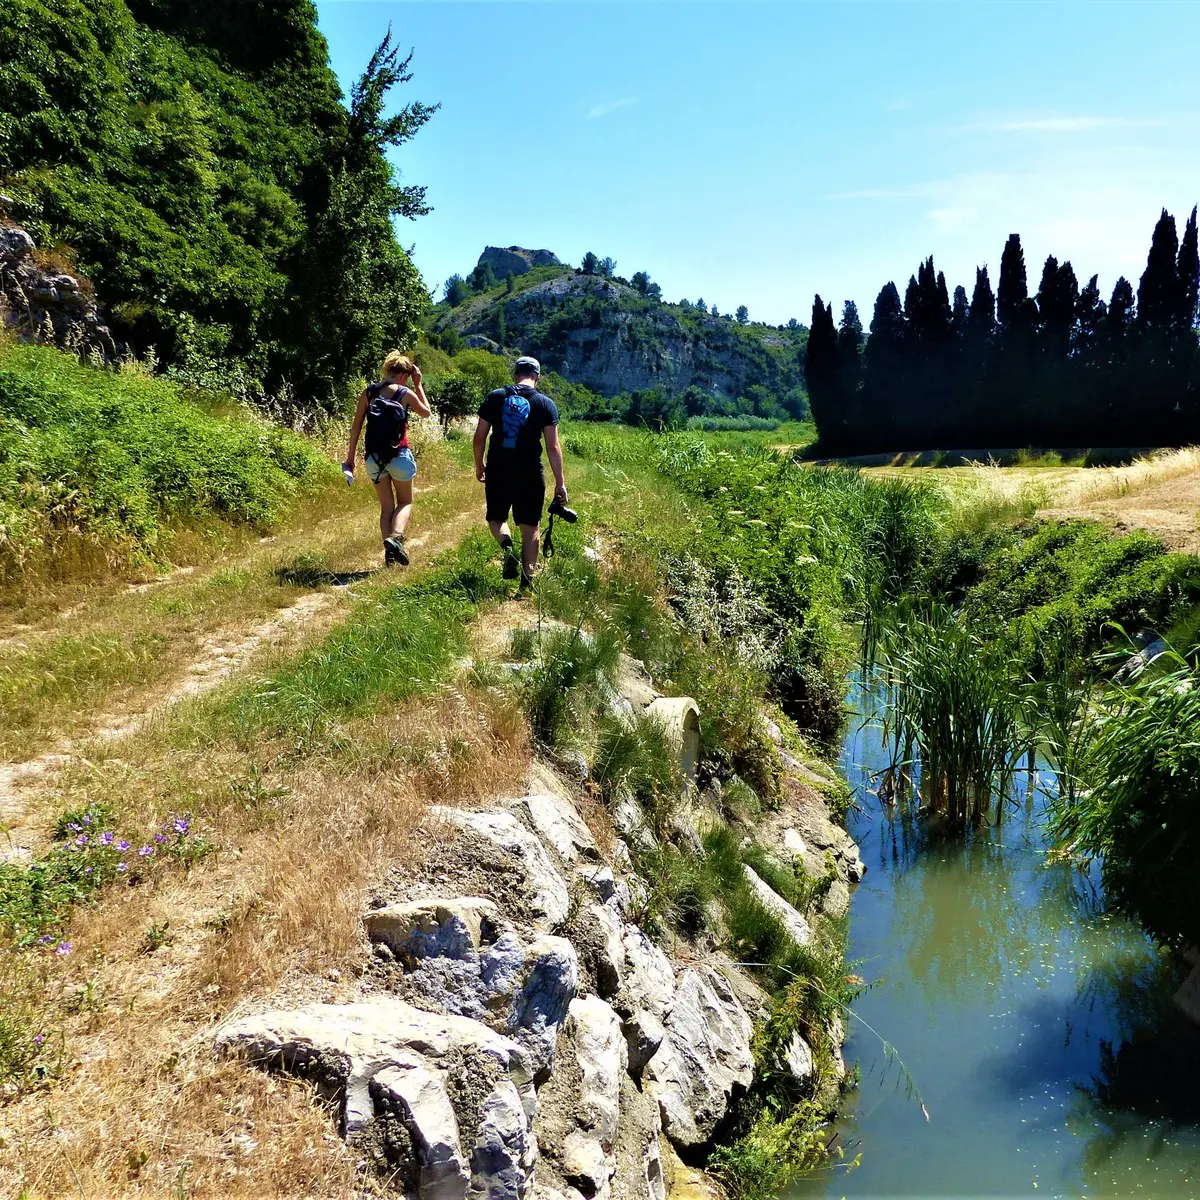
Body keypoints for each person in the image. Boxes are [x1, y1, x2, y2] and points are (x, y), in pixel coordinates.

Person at [473, 355, 567, 592]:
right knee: (530, 526)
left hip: (498, 468)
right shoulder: (545, 404)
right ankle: (526, 584)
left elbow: (479, 437)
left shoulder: (496, 397)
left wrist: (479, 464)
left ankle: (507, 547)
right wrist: (560, 483)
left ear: (515, 374)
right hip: (530, 473)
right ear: (537, 376)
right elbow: (553, 447)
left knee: (496, 518)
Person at [344, 351, 432, 567]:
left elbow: (356, 427)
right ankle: (397, 537)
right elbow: (427, 413)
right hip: (399, 455)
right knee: (405, 502)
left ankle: (389, 556)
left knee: (386, 507)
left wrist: (350, 459)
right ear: (405, 375)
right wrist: (419, 386)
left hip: (374, 459)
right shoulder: (405, 393)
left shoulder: (369, 392)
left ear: (387, 370)